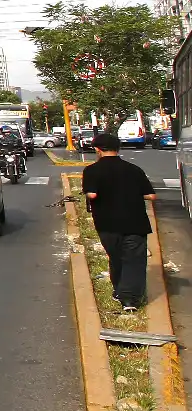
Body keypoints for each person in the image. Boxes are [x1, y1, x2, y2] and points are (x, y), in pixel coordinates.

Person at [82, 131, 156, 314]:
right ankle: (129, 299)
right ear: (118, 148)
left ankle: (120, 292)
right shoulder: (134, 169)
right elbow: (151, 195)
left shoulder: (91, 170)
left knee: (116, 257)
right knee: (134, 260)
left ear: (98, 150)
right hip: (136, 222)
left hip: (107, 224)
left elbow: (92, 194)